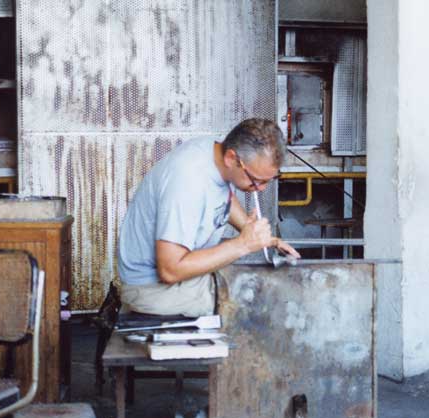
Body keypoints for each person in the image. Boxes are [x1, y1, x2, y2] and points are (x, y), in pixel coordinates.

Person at [117, 118, 300, 317]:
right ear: (232, 158)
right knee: (259, 305)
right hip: (153, 290)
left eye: (268, 181)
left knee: (254, 284)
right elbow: (170, 270)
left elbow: (221, 195)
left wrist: (251, 229)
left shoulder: (214, 151)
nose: (261, 189)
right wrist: (244, 244)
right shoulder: (187, 181)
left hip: (180, 277)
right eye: (256, 181)